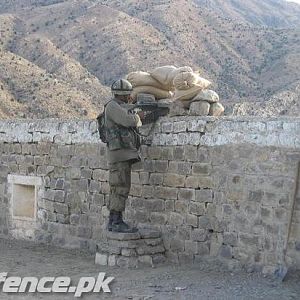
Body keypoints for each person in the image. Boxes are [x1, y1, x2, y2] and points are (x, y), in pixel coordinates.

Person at [104, 79, 144, 233]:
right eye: (127, 95)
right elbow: (128, 120)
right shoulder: (113, 107)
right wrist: (138, 116)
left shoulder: (117, 106)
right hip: (119, 156)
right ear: (122, 95)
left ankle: (114, 221)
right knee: (120, 188)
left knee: (119, 188)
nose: (129, 98)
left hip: (121, 155)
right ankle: (116, 222)